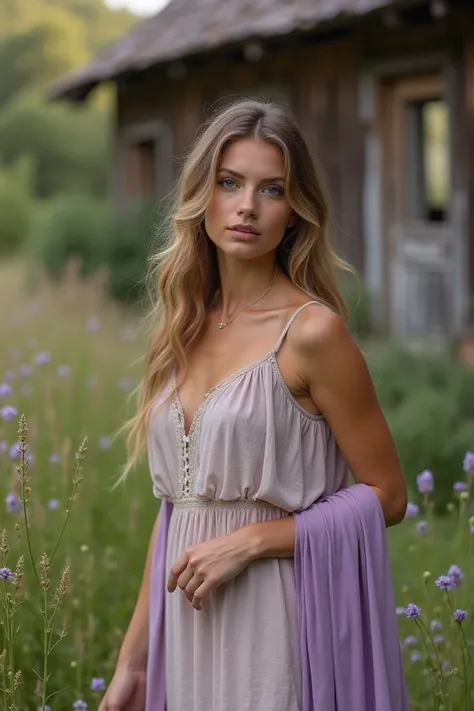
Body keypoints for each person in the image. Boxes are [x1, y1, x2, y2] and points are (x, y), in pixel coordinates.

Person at [99, 99, 408, 711]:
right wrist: (133, 664)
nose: (247, 206)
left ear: (294, 213)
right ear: (202, 196)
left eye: (271, 189)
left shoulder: (312, 333)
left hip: (277, 618)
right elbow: (175, 516)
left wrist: (252, 540)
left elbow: (388, 495)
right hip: (185, 628)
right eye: (229, 182)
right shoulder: (181, 330)